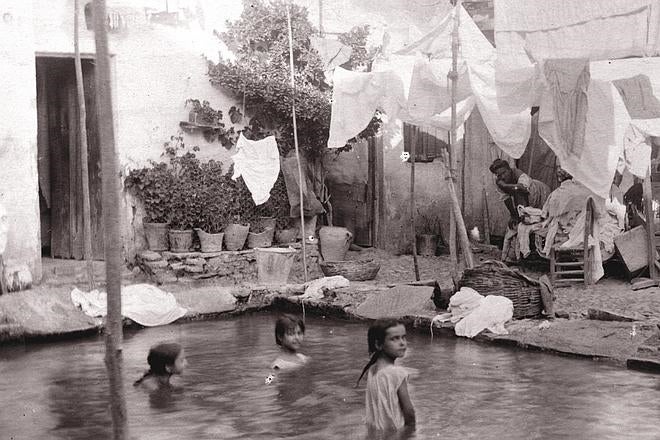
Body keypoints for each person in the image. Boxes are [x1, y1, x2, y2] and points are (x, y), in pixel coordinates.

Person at [356, 319, 416, 434]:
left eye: (403, 337)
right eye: (395, 339)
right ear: (379, 344)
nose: (402, 343)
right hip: (394, 434)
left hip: (376, 433)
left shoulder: (373, 369)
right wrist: (411, 432)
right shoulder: (397, 373)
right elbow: (409, 411)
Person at [489, 159, 550, 263]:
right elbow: (506, 199)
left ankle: (542, 252)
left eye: (504, 173)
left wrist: (505, 186)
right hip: (525, 201)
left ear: (509, 169)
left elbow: (522, 188)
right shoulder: (499, 182)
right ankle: (517, 255)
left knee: (542, 220)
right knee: (518, 222)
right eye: (499, 175)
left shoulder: (519, 175)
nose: (502, 177)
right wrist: (513, 215)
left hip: (541, 194)